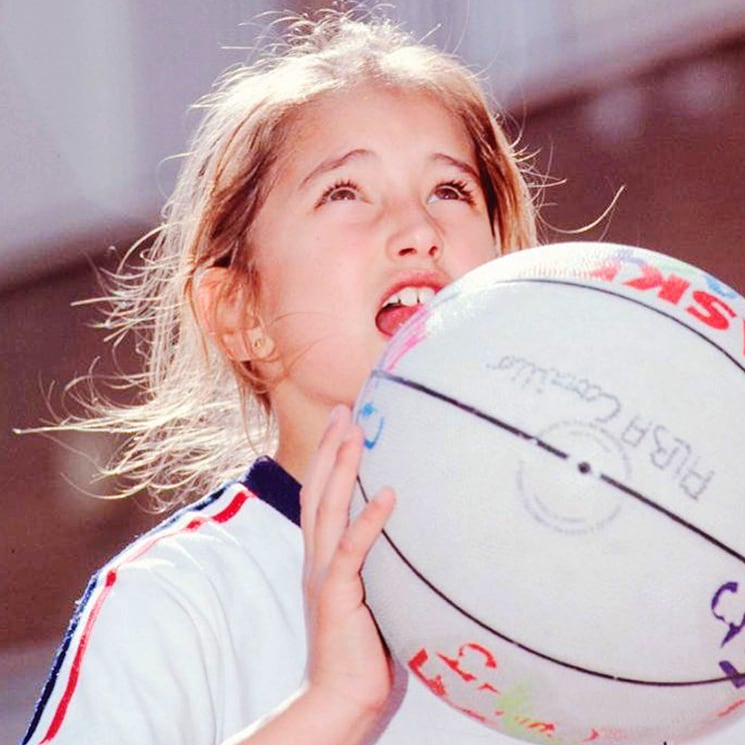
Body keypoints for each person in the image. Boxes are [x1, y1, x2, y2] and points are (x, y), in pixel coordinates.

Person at [20, 8, 538, 745]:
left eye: (451, 191)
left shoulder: (609, 552)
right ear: (239, 314)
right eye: (345, 192)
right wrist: (333, 705)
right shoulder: (175, 602)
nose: (419, 229)